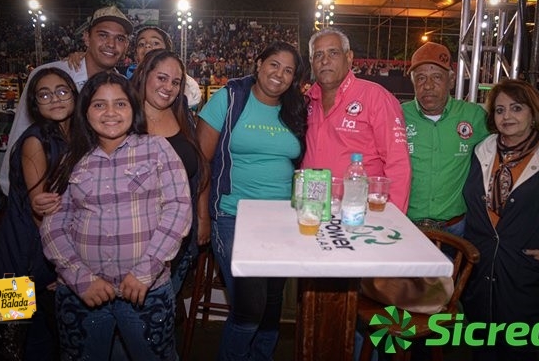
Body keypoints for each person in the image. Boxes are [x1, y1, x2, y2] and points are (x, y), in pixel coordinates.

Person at [41, 71, 192, 360]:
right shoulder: (72, 158)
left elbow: (178, 208)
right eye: (99, 105)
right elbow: (54, 224)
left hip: (145, 291)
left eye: (120, 104)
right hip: (83, 293)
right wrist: (79, 278)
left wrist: (145, 271)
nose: (110, 113)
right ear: (85, 112)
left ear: (133, 109)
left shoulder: (156, 148)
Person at [196, 41, 307, 360]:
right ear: (258, 64)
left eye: (288, 71)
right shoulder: (230, 98)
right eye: (274, 64)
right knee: (249, 307)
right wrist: (203, 217)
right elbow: (202, 162)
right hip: (233, 216)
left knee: (271, 304)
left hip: (281, 220)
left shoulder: (296, 108)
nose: (280, 74)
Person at [462, 79, 539, 360]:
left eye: (516, 108)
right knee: (482, 349)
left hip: (530, 278)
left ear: (533, 112)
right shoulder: (481, 152)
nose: (507, 116)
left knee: (525, 351)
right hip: (483, 274)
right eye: (500, 110)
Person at [0, 68, 78, 361]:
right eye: (44, 95)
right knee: (10, 349)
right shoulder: (36, 141)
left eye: (62, 91)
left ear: (74, 95)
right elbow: (41, 212)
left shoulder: (75, 137)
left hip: (43, 260)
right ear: (35, 104)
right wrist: (65, 265)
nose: (55, 99)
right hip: (13, 265)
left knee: (43, 345)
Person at [0, 5, 133, 196]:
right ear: (86, 37)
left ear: (126, 45)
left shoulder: (123, 86)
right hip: (43, 191)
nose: (111, 44)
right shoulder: (50, 76)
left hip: (96, 191)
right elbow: (21, 131)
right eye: (103, 35)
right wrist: (9, 188)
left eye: (120, 38)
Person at [301, 27, 411, 213]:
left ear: (349, 57)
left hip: (359, 214)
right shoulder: (306, 101)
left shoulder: (375, 97)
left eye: (333, 53)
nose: (325, 61)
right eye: (318, 55)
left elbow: (398, 163)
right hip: (312, 210)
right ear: (311, 62)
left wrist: (393, 218)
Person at [130, 48, 210, 295]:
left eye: (176, 82)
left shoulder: (181, 113)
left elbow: (199, 168)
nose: (169, 87)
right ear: (144, 75)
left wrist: (202, 216)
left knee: (163, 308)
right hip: (134, 242)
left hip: (178, 239)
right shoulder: (122, 118)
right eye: (162, 78)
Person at [403, 42, 489, 236]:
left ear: (451, 81)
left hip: (455, 228)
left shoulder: (474, 116)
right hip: (406, 226)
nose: (428, 86)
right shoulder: (397, 115)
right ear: (413, 82)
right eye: (421, 78)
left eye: (437, 77)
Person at [69, 26, 203, 109]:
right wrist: (86, 57)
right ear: (136, 55)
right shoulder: (124, 83)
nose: (148, 46)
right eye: (141, 44)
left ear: (168, 51)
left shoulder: (185, 86)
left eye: (155, 42)